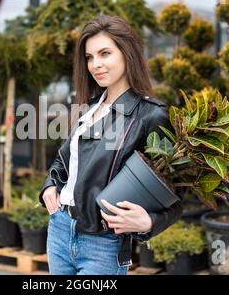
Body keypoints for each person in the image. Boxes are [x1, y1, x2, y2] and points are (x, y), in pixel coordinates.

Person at [39, 15, 182, 275]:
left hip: (103, 243)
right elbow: (65, 159)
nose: (96, 64)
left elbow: (176, 192)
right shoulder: (88, 107)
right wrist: (50, 185)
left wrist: (149, 221)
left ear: (127, 53)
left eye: (105, 53)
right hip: (59, 229)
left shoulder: (151, 115)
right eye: (90, 57)